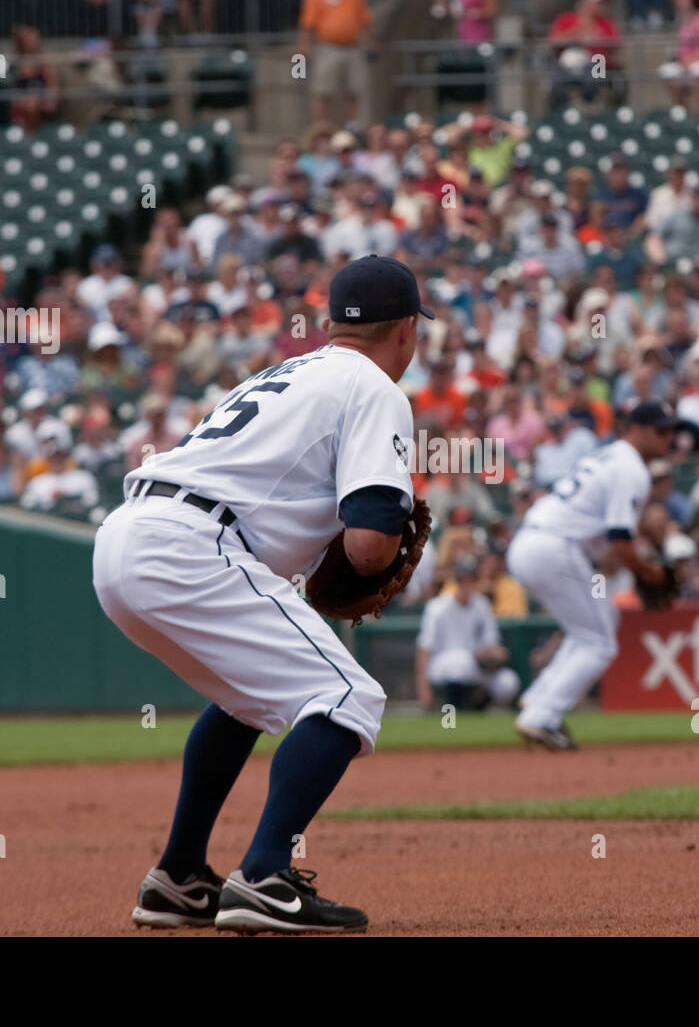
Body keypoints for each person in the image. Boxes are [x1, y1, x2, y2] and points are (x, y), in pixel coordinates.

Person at [94, 255, 432, 934]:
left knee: (246, 699)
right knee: (348, 697)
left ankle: (180, 877)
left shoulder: (285, 371)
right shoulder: (375, 387)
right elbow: (368, 545)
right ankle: (265, 875)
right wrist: (386, 549)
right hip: (192, 548)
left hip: (128, 540)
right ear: (405, 332)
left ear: (335, 322)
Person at [504, 402, 674, 750]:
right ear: (636, 430)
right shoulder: (632, 469)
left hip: (531, 543)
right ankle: (542, 716)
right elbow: (620, 540)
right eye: (660, 430)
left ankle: (540, 698)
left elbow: (610, 543)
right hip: (555, 548)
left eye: (670, 430)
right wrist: (650, 572)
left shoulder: (609, 455)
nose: (667, 438)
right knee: (599, 642)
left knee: (597, 623)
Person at [415, 555, 521, 710]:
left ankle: (479, 706)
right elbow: (424, 648)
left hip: (475, 665)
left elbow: (492, 642)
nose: (468, 583)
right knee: (460, 662)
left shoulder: (481, 604)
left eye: (471, 578)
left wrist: (494, 653)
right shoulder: (437, 607)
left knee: (508, 682)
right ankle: (452, 710)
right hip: (443, 664)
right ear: (457, 580)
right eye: (464, 578)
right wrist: (423, 687)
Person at [298, 0, 376, 126]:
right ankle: (320, 127)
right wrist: (304, 46)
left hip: (353, 47)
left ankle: (354, 127)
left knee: (355, 89)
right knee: (322, 90)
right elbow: (307, 22)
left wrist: (373, 41)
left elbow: (364, 17)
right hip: (328, 46)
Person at [547, 0, 625, 111]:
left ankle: (591, 110)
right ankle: (562, 113)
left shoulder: (606, 22)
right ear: (585, 3)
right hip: (568, 66)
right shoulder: (567, 19)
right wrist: (579, 30)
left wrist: (596, 35)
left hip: (598, 64)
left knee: (594, 73)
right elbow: (555, 40)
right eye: (597, 3)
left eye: (602, 3)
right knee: (557, 78)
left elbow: (616, 44)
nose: (601, 6)